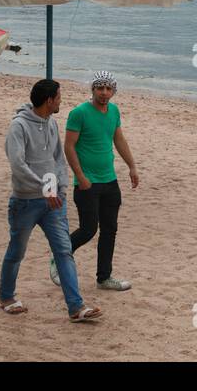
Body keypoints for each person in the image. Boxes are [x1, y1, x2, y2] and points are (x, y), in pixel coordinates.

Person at [0, 79, 102, 323]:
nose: (60, 100)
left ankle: (76, 307)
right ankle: (6, 297)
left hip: (54, 202)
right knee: (17, 251)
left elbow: (58, 158)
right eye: (58, 97)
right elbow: (17, 164)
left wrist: (61, 188)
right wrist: (45, 187)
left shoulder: (52, 123)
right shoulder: (19, 126)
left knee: (64, 251)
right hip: (25, 202)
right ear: (49, 100)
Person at [51, 71, 136, 292]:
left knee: (110, 230)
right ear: (93, 89)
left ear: (114, 91)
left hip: (110, 180)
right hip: (87, 182)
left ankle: (104, 278)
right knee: (89, 229)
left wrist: (132, 166)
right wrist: (80, 176)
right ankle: (58, 259)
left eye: (109, 89)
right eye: (100, 88)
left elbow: (119, 139)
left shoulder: (114, 111)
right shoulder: (79, 113)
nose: (104, 93)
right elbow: (69, 146)